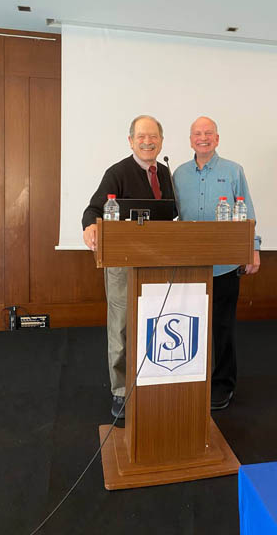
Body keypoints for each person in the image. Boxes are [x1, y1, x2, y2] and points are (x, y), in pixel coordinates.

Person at [82, 115, 174, 419]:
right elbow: (93, 209)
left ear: (161, 141)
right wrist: (89, 226)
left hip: (158, 262)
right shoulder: (117, 172)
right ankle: (120, 390)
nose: (148, 142)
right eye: (141, 137)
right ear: (131, 141)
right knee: (121, 326)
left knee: (156, 323)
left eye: (153, 137)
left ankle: (152, 381)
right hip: (123, 263)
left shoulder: (166, 173)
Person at [173, 116, 261, 410]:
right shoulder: (178, 174)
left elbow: (247, 212)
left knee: (222, 328)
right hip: (189, 265)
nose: (203, 138)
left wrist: (253, 248)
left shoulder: (233, 170)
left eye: (208, 133)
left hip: (224, 265)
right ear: (190, 140)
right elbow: (171, 217)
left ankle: (223, 384)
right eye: (197, 133)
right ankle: (190, 377)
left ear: (217, 138)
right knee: (189, 325)